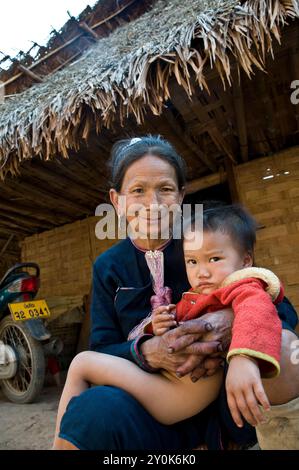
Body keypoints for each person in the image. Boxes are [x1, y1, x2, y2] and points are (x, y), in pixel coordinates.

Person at [53, 135, 298, 450]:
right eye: (138, 190)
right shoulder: (108, 267)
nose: (153, 204)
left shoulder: (205, 245)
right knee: (91, 410)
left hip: (221, 397)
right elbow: (103, 347)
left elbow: (279, 307)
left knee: (282, 344)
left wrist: (230, 321)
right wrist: (147, 349)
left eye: (165, 189)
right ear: (117, 201)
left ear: (181, 195)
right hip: (145, 404)